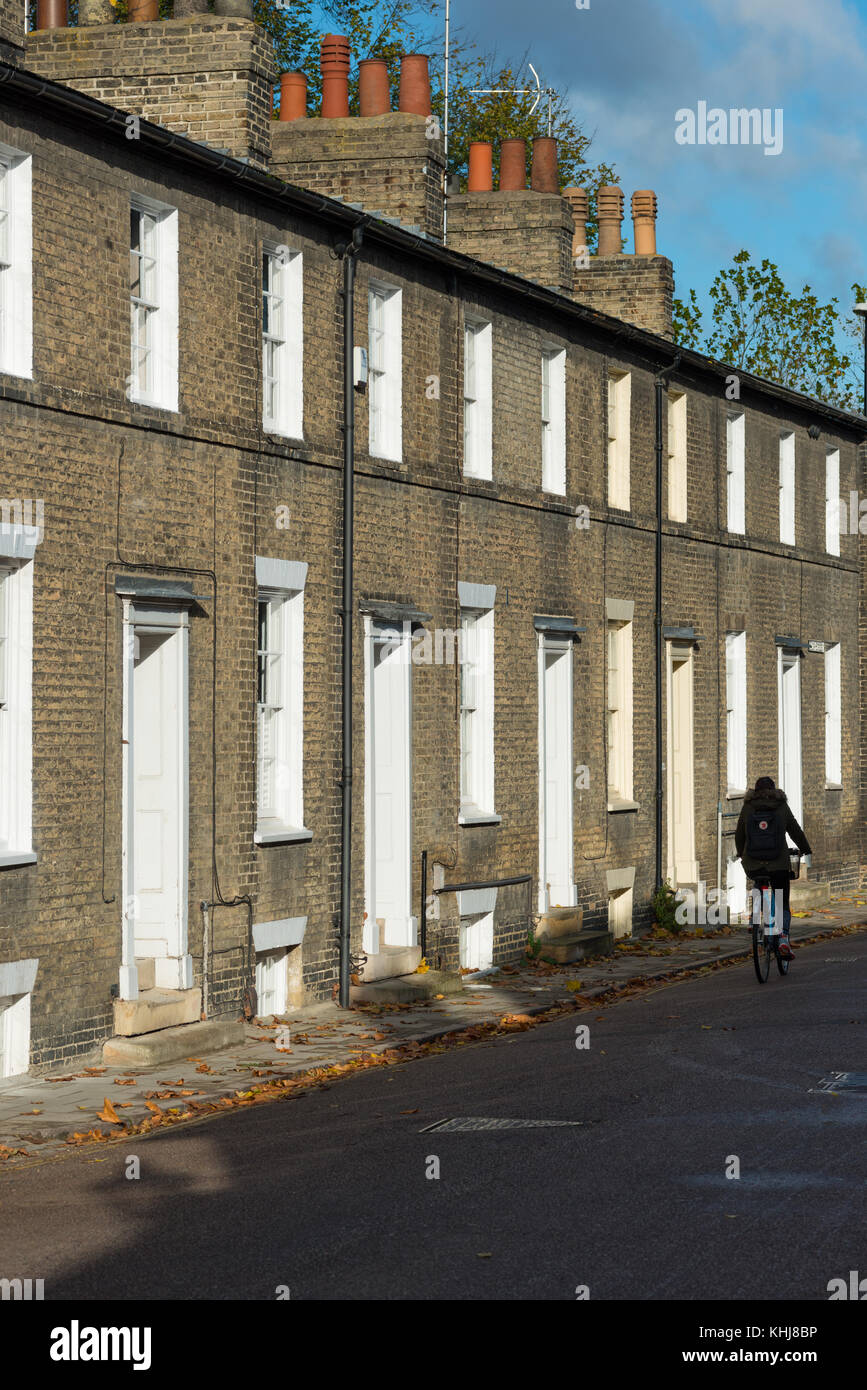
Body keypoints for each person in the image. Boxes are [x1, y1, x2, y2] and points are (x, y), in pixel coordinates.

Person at [735, 776, 812, 960]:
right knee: (781, 900)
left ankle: (754, 919)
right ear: (774, 789)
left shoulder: (748, 806)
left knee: (758, 882)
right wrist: (805, 849)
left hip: (753, 862)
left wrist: (741, 853)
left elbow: (739, 833)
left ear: (755, 790)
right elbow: (795, 830)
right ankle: (783, 937)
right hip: (778, 863)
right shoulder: (781, 806)